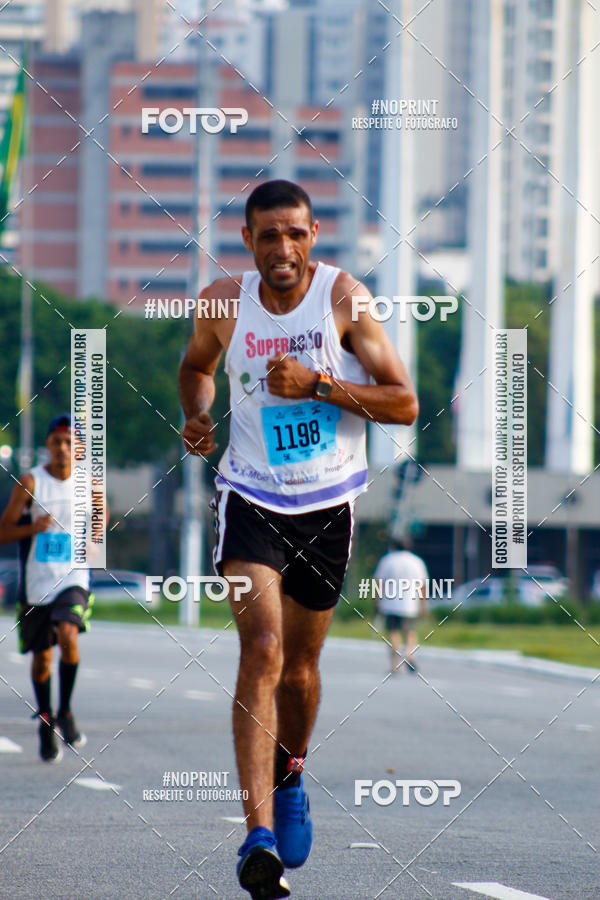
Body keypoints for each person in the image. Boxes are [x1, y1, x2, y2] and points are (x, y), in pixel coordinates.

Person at [179, 179, 418, 899]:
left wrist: (318, 384)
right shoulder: (223, 302)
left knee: (302, 671)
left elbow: (403, 402)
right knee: (264, 649)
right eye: (266, 236)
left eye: (294, 234)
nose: (281, 248)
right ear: (247, 241)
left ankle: (291, 779)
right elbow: (197, 367)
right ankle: (256, 838)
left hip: (327, 505)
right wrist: (198, 413)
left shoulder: (344, 300)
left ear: (313, 236)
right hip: (250, 494)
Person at [0, 413, 103, 762]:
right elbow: (3, 531)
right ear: (47, 445)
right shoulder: (30, 483)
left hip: (73, 578)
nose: (62, 448)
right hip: (36, 585)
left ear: (80, 449)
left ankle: (67, 710)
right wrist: (34, 528)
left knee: (68, 635)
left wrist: (95, 540)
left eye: (70, 443)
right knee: (42, 660)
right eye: (57, 441)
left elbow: (100, 522)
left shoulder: (91, 484)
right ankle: (46, 719)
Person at [373, 540, 428, 674]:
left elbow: (378, 582)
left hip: (390, 603)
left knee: (393, 633)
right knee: (410, 631)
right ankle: (409, 653)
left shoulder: (387, 560)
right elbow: (422, 585)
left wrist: (376, 601)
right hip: (410, 603)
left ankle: (395, 666)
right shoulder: (417, 561)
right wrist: (423, 604)